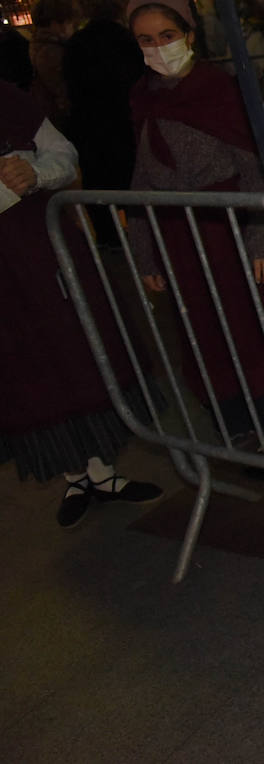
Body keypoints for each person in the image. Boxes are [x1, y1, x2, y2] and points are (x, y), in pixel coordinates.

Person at [126, 0, 264, 457]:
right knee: (206, 332)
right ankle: (243, 427)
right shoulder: (143, 98)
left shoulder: (219, 91)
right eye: (146, 40)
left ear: (189, 35)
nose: (158, 48)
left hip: (231, 234)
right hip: (181, 242)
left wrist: (261, 240)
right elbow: (142, 179)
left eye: (166, 36)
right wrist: (145, 252)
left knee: (258, 328)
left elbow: (253, 168)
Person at [0, 78, 162, 527]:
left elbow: (64, 154)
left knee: (78, 348)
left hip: (45, 251)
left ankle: (101, 471)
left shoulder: (8, 99)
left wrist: (35, 174)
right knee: (26, 369)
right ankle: (75, 476)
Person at [62, 0, 145, 245]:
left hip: (92, 125)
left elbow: (71, 87)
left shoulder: (77, 44)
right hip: (122, 120)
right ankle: (141, 233)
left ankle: (110, 236)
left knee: (99, 181)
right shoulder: (125, 39)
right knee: (132, 177)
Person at [28, 0, 77, 127]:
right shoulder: (51, 52)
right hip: (64, 117)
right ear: (55, 24)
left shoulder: (41, 44)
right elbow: (64, 90)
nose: (71, 27)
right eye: (68, 22)